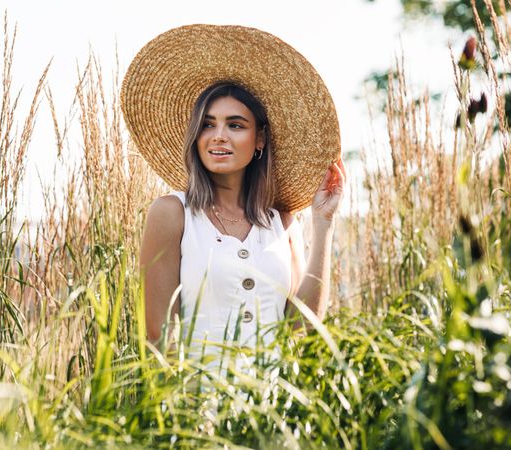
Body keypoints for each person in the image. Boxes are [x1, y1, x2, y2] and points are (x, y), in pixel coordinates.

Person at [121, 25, 345, 356]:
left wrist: (324, 223)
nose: (218, 136)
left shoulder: (282, 224)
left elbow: (302, 332)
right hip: (199, 402)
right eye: (208, 124)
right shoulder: (172, 214)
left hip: (273, 403)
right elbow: (159, 336)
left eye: (235, 125)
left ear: (260, 140)